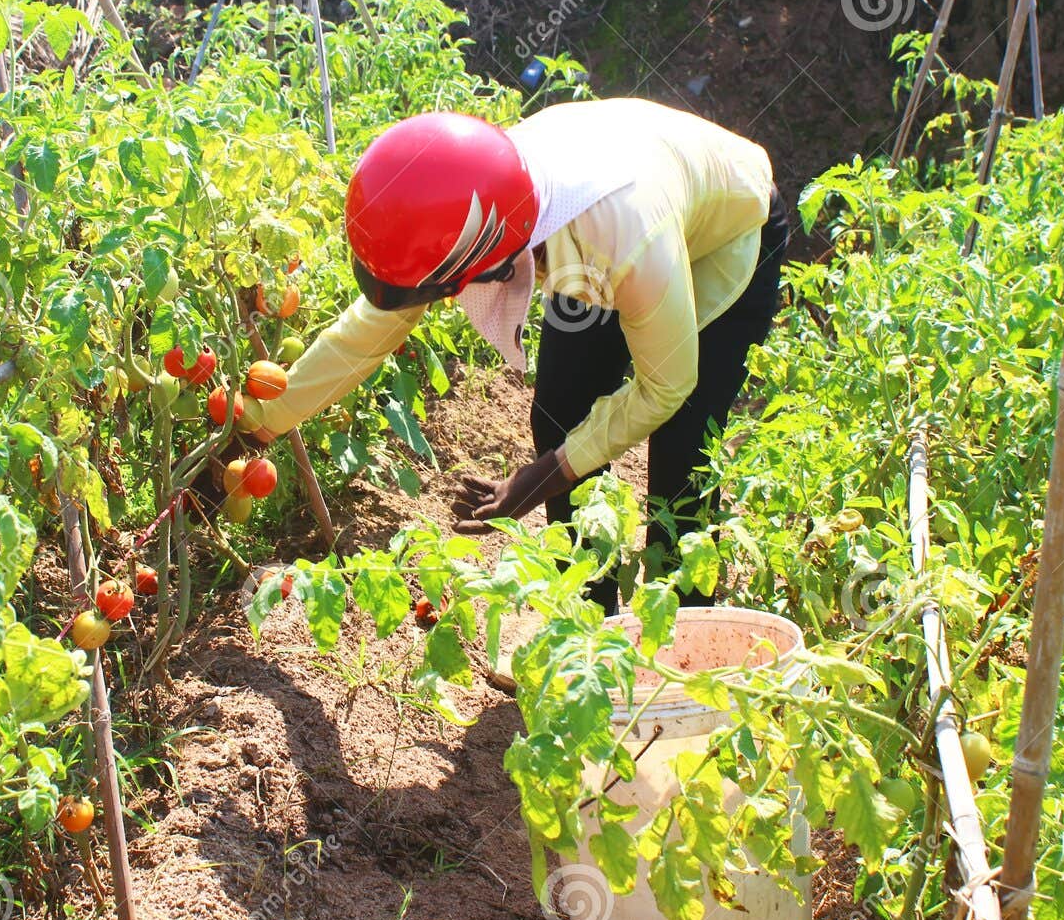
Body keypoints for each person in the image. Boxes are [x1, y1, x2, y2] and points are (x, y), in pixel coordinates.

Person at [248, 97, 790, 615]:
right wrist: (260, 424)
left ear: (498, 267)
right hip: (635, 207)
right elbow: (371, 331)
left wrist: (543, 477)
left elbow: (666, 385)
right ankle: (586, 620)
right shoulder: (477, 193)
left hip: (728, 233)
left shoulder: (623, 241)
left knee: (683, 450)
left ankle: (682, 642)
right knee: (560, 407)